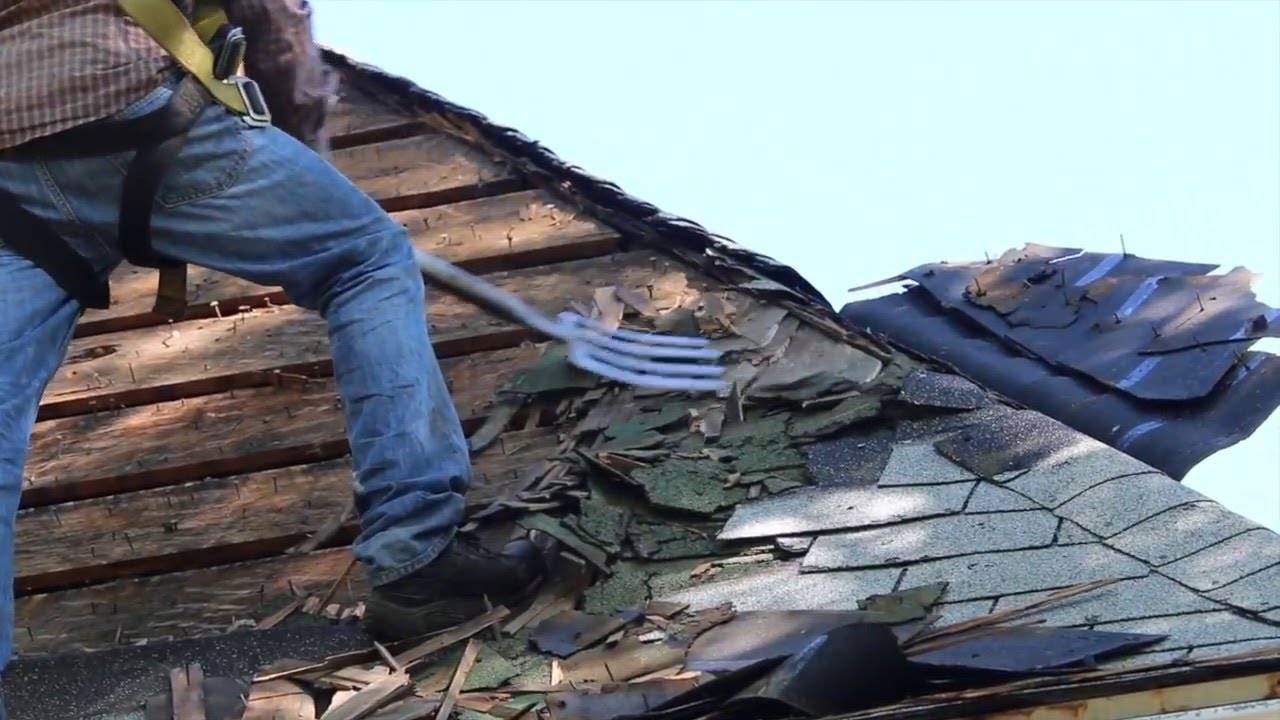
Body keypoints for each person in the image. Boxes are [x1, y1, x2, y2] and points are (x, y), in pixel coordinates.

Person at [0, 0, 544, 692]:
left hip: (11, 172)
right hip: (125, 102)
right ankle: (416, 553)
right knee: (364, 259)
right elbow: (271, 17)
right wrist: (302, 156)